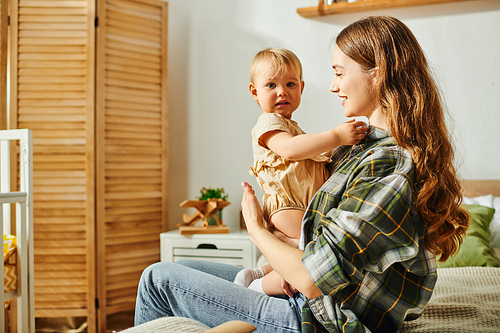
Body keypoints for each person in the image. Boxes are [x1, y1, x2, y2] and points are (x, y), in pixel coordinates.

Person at [134, 16, 469, 333]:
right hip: (308, 300)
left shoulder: (387, 164)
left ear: (377, 74)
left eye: (339, 73)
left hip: (318, 319)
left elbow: (311, 278)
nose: (333, 87)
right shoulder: (360, 149)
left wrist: (255, 228)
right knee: (187, 268)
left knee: (157, 278)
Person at [235, 48, 367, 296]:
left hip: (300, 205)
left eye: (290, 84)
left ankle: (258, 274)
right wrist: (337, 136)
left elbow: (310, 155)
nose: (282, 91)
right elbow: (291, 150)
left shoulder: (291, 126)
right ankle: (257, 289)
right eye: (271, 85)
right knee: (310, 260)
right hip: (289, 206)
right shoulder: (269, 123)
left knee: (303, 256)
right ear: (255, 92)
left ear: (301, 88)